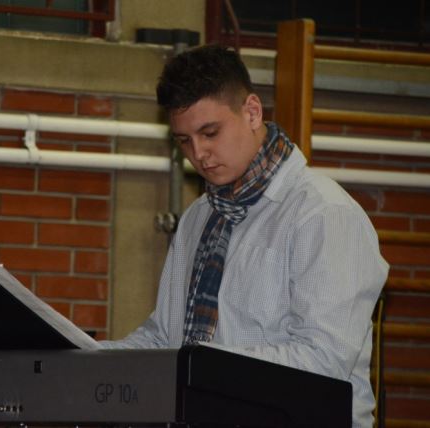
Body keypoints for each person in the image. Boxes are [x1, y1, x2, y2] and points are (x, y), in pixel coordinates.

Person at [101, 45, 388, 427]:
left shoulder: (324, 214)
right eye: (184, 140)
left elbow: (323, 361)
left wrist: (202, 367)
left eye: (210, 132)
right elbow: (166, 339)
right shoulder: (198, 217)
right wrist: (88, 357)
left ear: (252, 112)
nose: (199, 153)